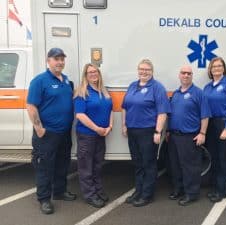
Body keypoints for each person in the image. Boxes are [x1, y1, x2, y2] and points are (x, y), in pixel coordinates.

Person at [26, 48, 76, 215]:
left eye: (62, 59)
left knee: (62, 163)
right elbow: (31, 106)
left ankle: (60, 192)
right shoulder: (39, 81)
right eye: (56, 59)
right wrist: (39, 128)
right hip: (47, 134)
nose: (60, 62)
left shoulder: (67, 81)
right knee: (45, 167)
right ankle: (44, 199)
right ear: (48, 61)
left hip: (64, 132)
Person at [121, 59, 171, 207]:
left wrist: (158, 131)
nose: (144, 72)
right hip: (132, 130)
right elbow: (125, 107)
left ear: (152, 71)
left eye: (147, 69)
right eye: (141, 69)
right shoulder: (132, 86)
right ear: (138, 70)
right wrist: (124, 124)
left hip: (148, 131)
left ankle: (147, 194)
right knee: (137, 163)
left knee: (148, 163)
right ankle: (138, 190)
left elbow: (162, 112)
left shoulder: (157, 87)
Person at [167, 65, 210, 206]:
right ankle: (178, 189)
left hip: (189, 136)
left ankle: (191, 193)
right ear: (179, 75)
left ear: (192, 76)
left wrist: (202, 133)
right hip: (173, 136)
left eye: (188, 73)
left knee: (190, 167)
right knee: (175, 165)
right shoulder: (176, 94)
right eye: (183, 73)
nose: (186, 75)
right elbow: (171, 115)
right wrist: (168, 131)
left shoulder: (198, 93)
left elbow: (205, 116)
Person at [74, 63, 113, 208]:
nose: (93, 74)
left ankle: (97, 190)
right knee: (86, 166)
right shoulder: (82, 92)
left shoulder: (104, 91)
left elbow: (110, 109)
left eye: (95, 71)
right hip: (87, 135)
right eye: (90, 72)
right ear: (85, 75)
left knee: (97, 165)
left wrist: (109, 126)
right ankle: (90, 195)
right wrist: (97, 128)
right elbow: (80, 115)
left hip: (101, 134)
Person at [203, 57, 226, 203]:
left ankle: (222, 190)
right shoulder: (207, 87)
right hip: (211, 124)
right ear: (210, 70)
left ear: (223, 68)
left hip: (223, 124)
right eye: (214, 66)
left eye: (219, 66)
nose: (216, 68)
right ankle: (215, 187)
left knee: (224, 158)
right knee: (214, 157)